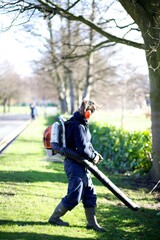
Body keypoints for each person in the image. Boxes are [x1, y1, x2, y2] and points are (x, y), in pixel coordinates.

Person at [49, 99, 105, 232]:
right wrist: (93, 157)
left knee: (90, 193)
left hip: (82, 164)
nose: (92, 115)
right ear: (87, 113)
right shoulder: (78, 126)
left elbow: (87, 145)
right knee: (75, 195)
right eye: (92, 112)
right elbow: (82, 150)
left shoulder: (80, 123)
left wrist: (95, 154)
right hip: (74, 164)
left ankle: (92, 223)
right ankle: (55, 218)